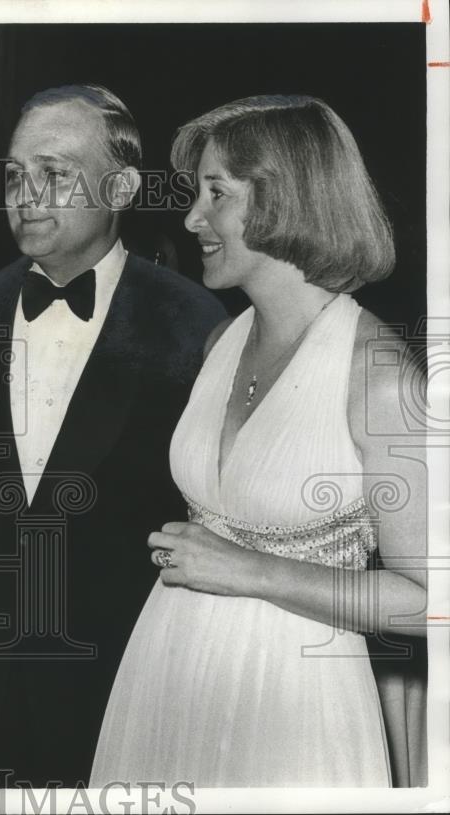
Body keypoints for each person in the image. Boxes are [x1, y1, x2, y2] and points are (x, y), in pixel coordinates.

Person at [90, 95, 428, 787]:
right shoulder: (222, 339)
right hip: (168, 669)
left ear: (286, 199)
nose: (192, 218)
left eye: (217, 193)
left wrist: (250, 570)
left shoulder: (381, 375)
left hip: (294, 699)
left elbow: (432, 602)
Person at [0, 85, 226, 787]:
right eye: (14, 175)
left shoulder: (199, 327)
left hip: (137, 684)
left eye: (55, 172)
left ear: (123, 185)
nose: (27, 194)